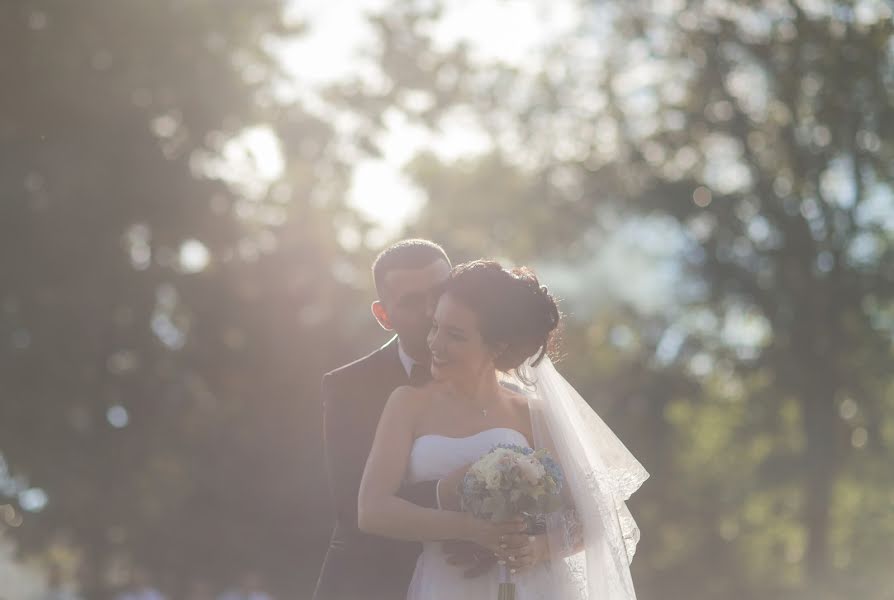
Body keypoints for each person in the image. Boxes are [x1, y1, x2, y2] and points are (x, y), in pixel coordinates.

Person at [359, 260, 648, 599]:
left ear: (496, 347)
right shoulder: (407, 403)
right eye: (435, 326)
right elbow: (372, 510)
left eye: (455, 335)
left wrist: (538, 547)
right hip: (443, 585)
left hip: (529, 586)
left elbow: (591, 516)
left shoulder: (530, 414)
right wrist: (469, 529)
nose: (435, 344)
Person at [313, 239, 494, 600]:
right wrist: (468, 514)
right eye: (411, 301)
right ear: (383, 316)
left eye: (440, 291)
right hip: (375, 585)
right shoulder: (348, 387)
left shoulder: (500, 375)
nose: (431, 310)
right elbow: (354, 506)